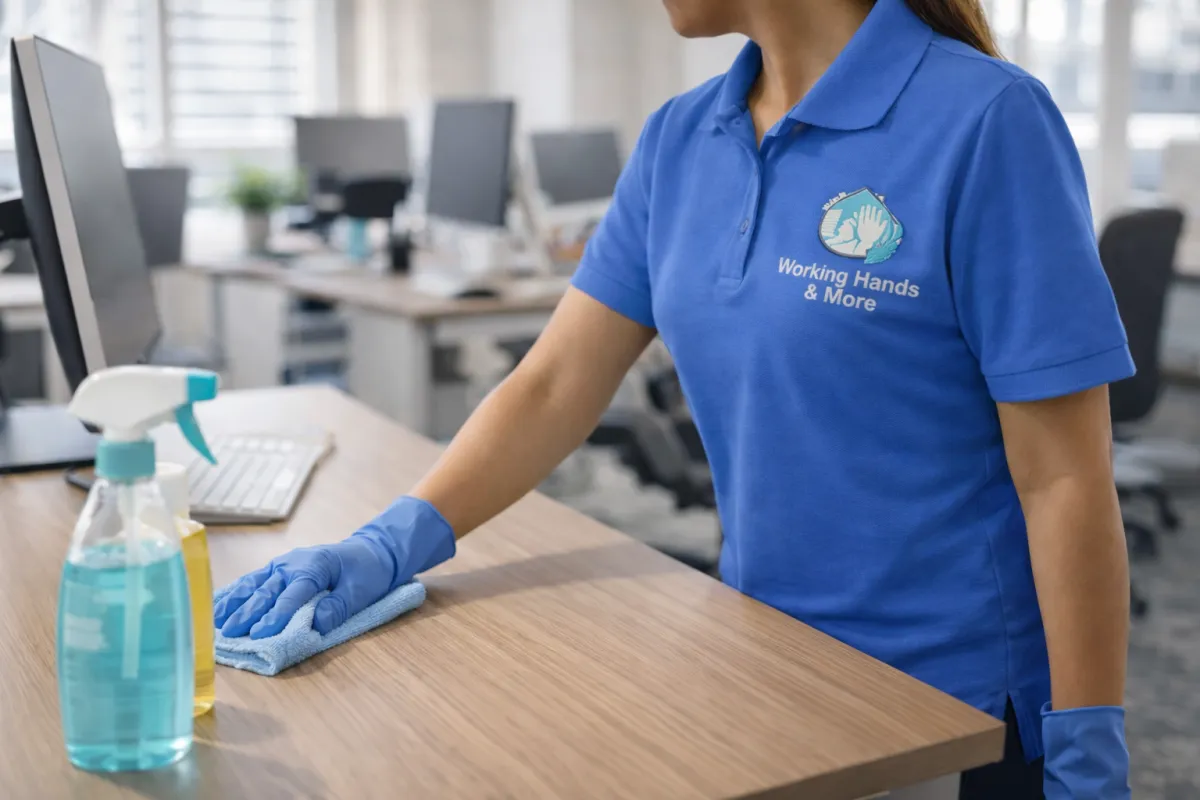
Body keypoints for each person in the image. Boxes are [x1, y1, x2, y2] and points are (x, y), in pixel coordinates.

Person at [215, 1, 1133, 797]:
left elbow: (1065, 483)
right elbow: (554, 383)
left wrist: (1087, 752)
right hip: (767, 664)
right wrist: (389, 543)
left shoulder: (987, 121)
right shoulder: (682, 139)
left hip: (954, 706)